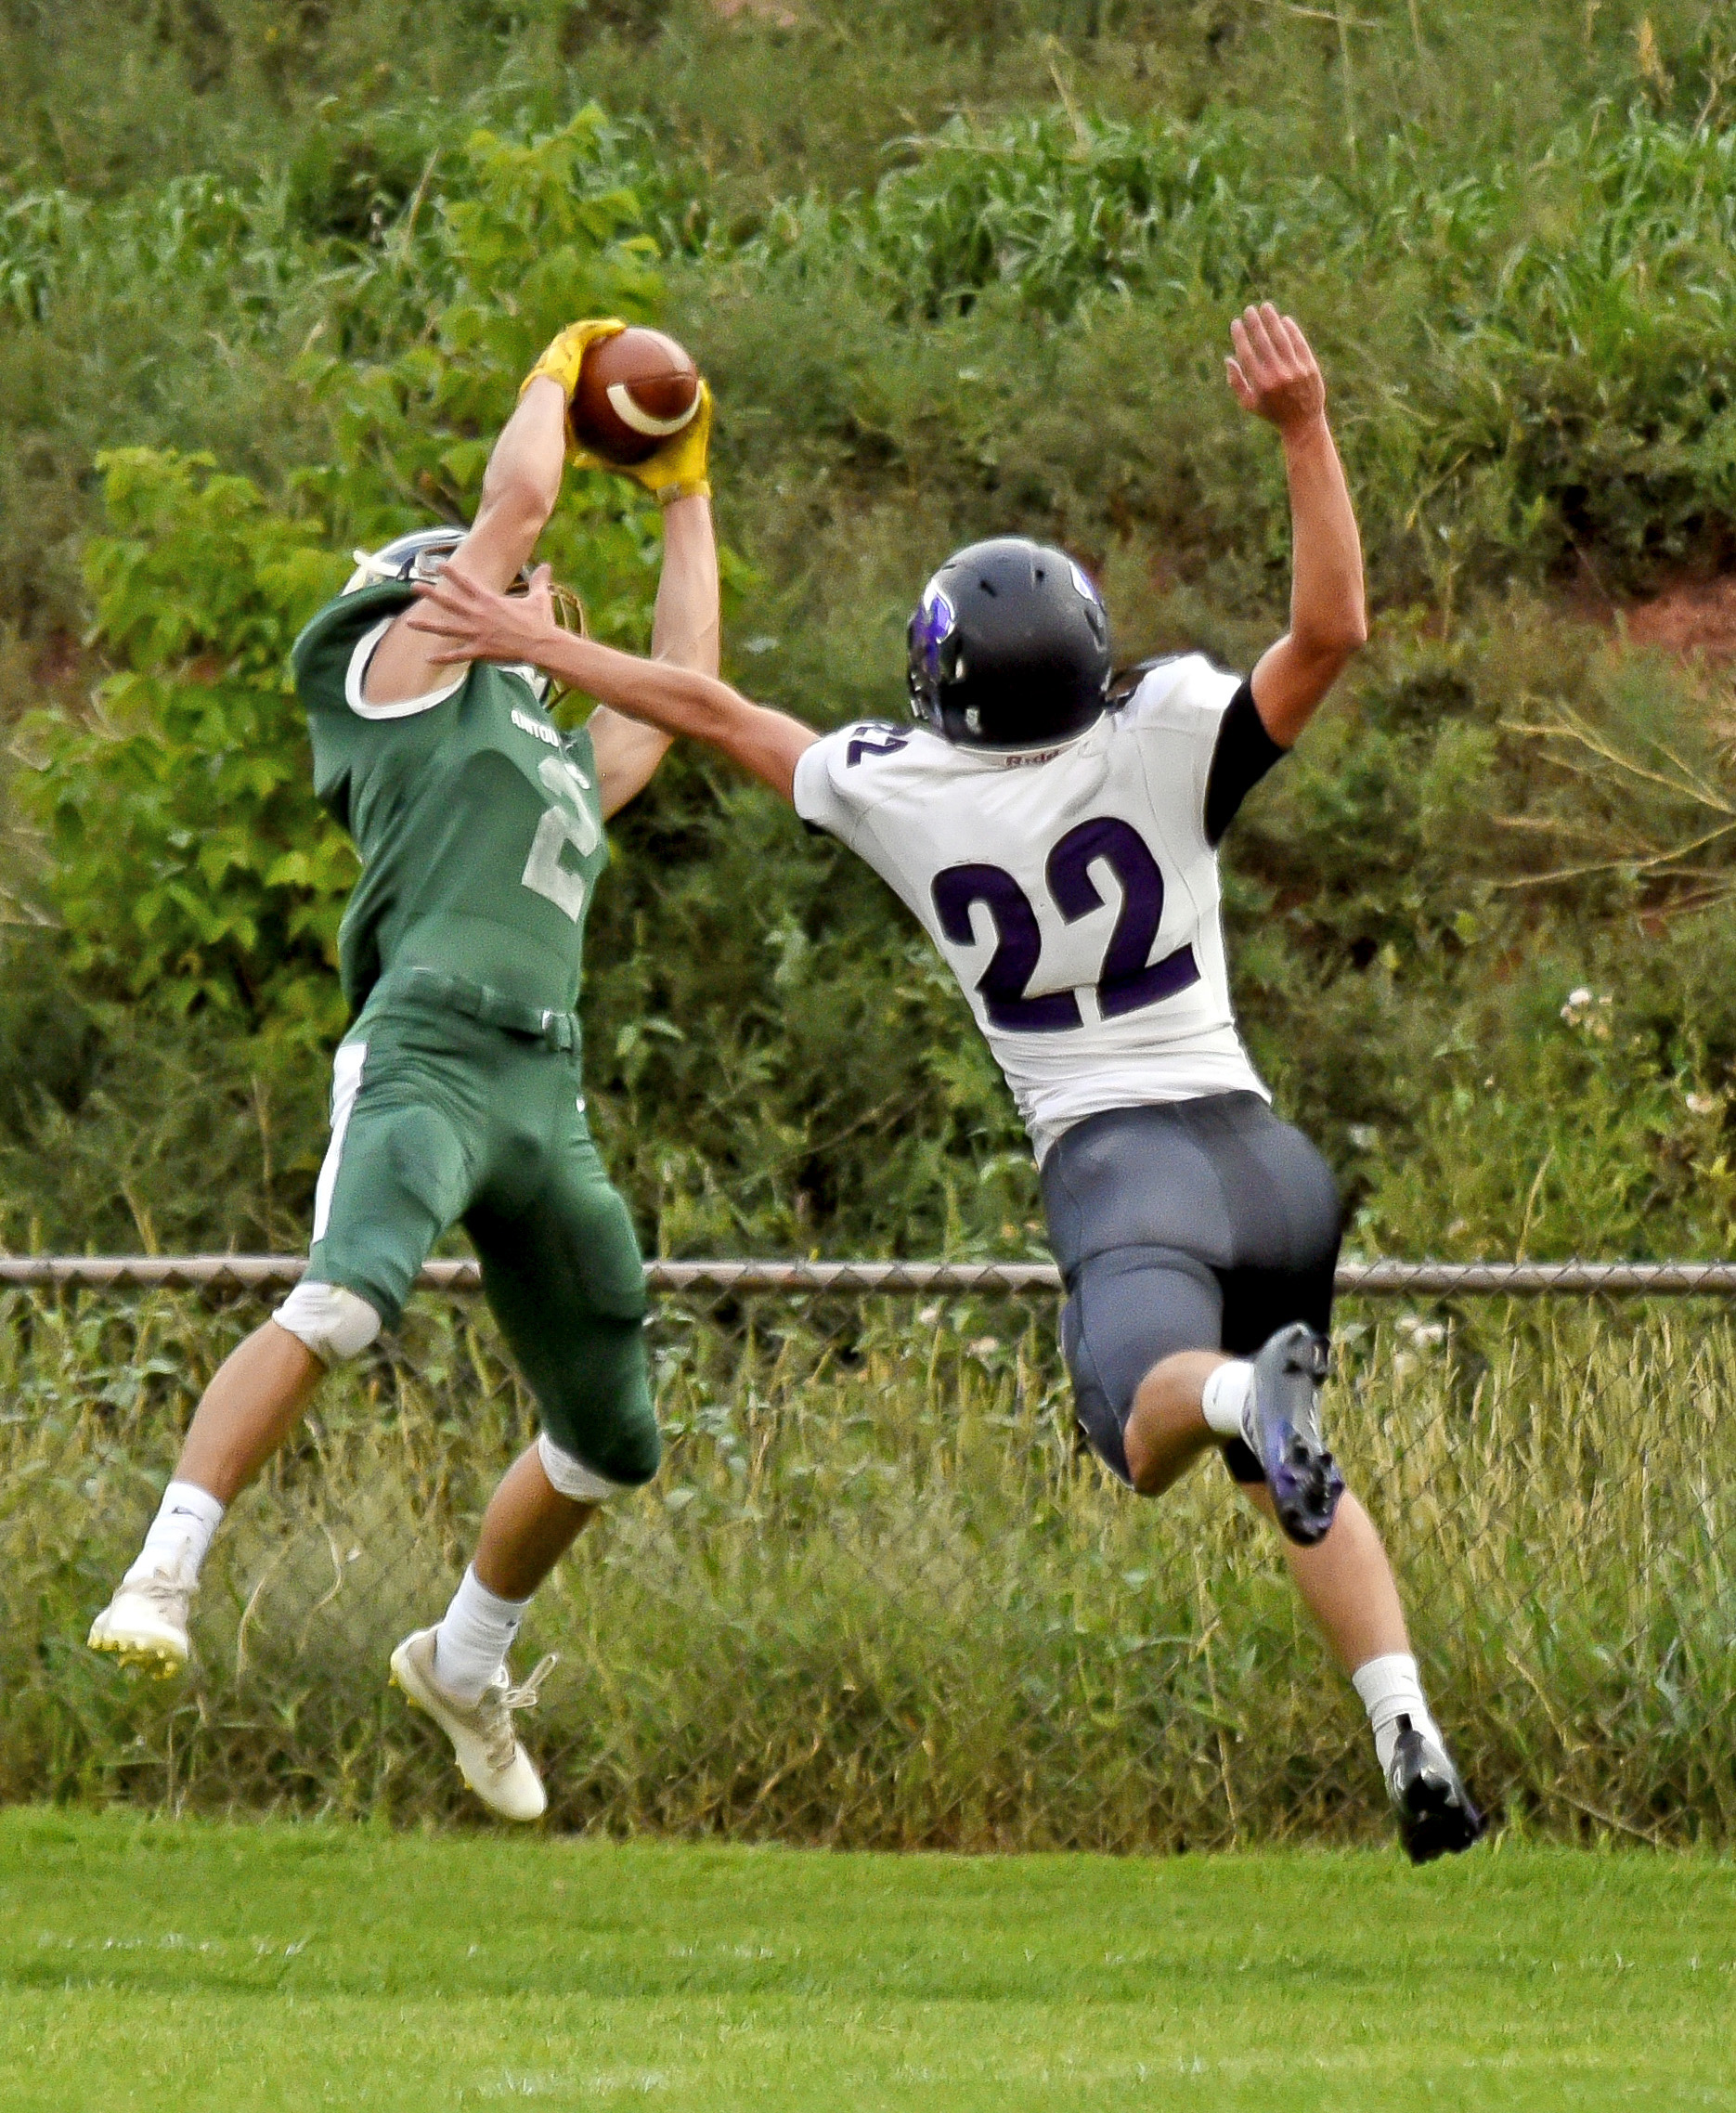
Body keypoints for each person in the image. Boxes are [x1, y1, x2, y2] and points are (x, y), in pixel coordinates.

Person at [407, 304, 1486, 1861]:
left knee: (1148, 1429)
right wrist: (1305, 430)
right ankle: (1408, 1731)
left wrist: (534, 637)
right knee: (1283, 1470)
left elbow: (708, 712)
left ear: (940, 682)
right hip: (1265, 1154)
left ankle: (1247, 1390)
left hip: (1126, 1171)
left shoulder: (893, 793)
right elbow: (1330, 634)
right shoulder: (1172, 728)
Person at [88, 318, 719, 1823]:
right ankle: (164, 1569)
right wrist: (553, 383)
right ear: (429, 594)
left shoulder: (550, 750)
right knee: (350, 1294)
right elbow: (513, 517)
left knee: (613, 1439)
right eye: (502, 588)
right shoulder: (401, 682)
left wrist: (690, 492)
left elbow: (678, 689)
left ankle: (463, 1655)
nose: (534, 593)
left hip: (541, 1087)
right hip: (429, 1050)